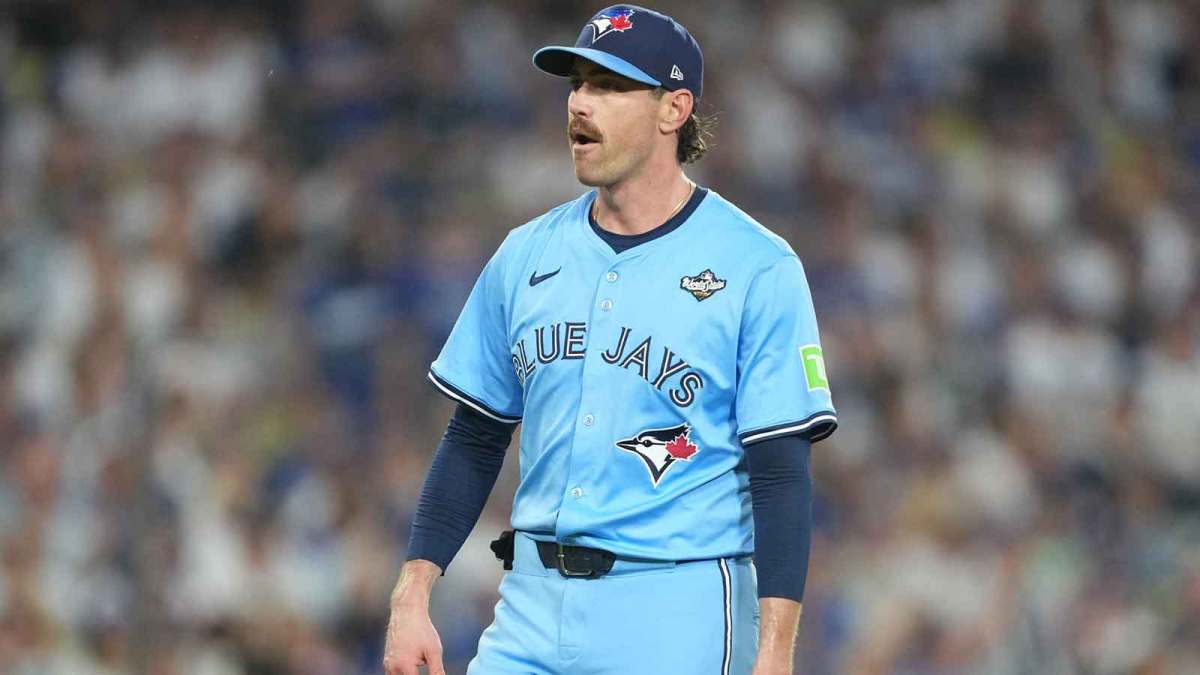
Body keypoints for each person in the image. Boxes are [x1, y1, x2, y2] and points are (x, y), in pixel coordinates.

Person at [383, 5, 836, 674]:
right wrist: (412, 592)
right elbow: (474, 437)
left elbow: (780, 474)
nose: (580, 103)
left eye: (610, 86)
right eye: (577, 84)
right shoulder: (525, 254)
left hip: (676, 608)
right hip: (529, 606)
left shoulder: (756, 265)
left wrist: (774, 653)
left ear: (674, 108)